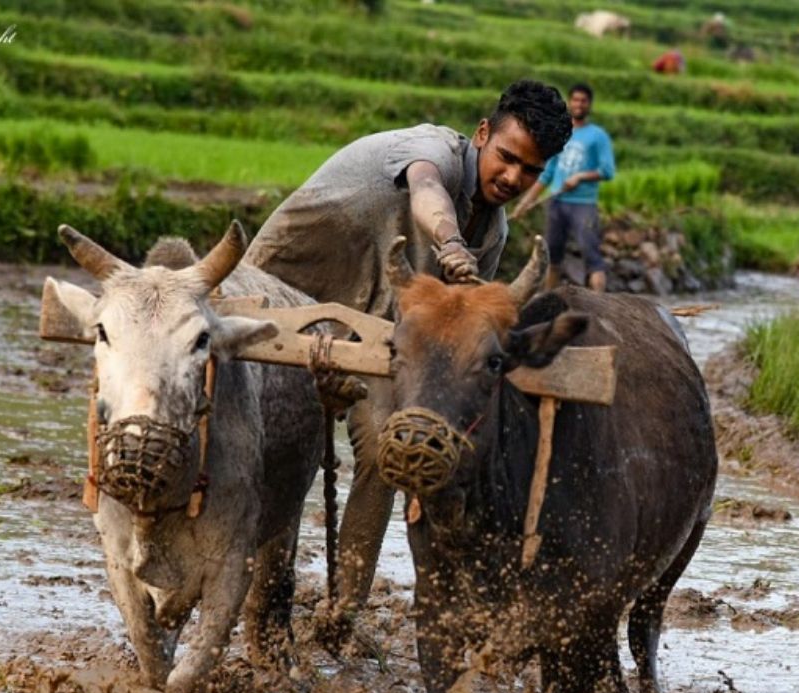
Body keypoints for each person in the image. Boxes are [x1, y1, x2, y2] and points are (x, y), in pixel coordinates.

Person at [242, 79, 572, 638]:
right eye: (508, 158)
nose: (514, 178)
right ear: (482, 135)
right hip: (278, 303)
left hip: (373, 340)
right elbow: (427, 193)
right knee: (277, 458)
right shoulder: (432, 152)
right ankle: (262, 614)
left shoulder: (492, 230)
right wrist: (447, 243)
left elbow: (453, 332)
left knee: (390, 449)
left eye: (532, 172)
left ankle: (344, 608)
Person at [511, 82, 615, 291]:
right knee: (552, 256)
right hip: (556, 202)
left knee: (591, 255)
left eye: (583, 101)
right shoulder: (562, 133)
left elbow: (607, 170)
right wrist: (525, 202)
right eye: (575, 100)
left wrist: (580, 177)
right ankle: (548, 301)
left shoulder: (598, 136)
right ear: (569, 103)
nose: (579, 104)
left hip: (583, 204)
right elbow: (547, 173)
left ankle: (599, 304)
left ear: (589, 105)